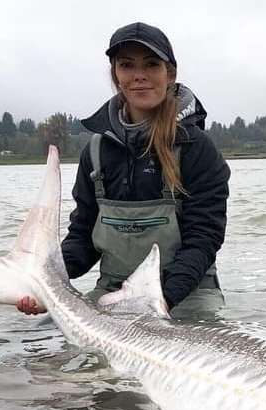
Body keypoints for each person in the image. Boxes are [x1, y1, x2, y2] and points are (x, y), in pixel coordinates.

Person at [17, 21, 230, 318]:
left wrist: (160, 301)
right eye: (127, 65)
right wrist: (47, 287)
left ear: (170, 73)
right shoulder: (96, 151)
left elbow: (203, 240)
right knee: (40, 353)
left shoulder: (197, 148)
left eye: (151, 64)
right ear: (115, 75)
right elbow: (83, 237)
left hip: (185, 294)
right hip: (111, 293)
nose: (139, 76)